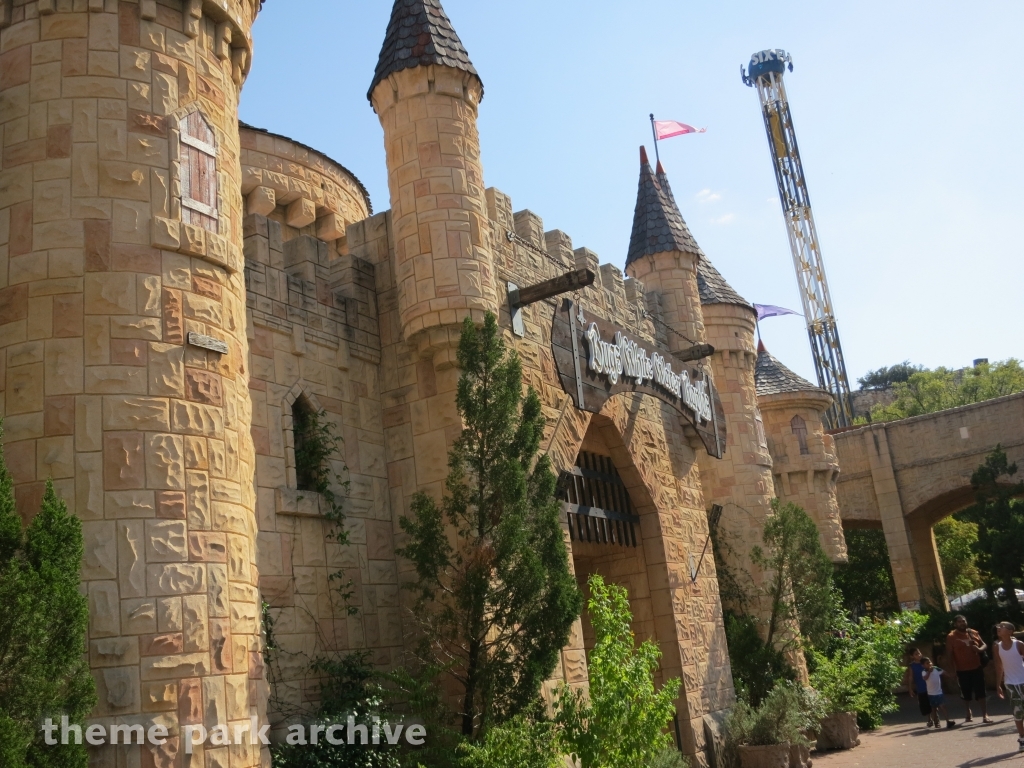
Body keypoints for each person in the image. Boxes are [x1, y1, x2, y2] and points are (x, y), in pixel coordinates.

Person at [945, 614, 991, 723]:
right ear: (955, 624)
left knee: (981, 693)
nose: (962, 623)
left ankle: (985, 715)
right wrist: (952, 671)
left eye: (964, 621)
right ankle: (968, 713)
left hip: (977, 668)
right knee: (965, 694)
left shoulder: (973, 632)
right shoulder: (951, 636)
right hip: (962, 671)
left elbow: (984, 645)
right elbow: (949, 655)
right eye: (959, 622)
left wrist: (979, 650)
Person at [993, 621, 1024, 752]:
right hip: (1010, 683)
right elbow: (999, 667)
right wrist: (998, 685)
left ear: (1010, 631)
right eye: (998, 627)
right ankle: (1022, 738)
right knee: (1017, 712)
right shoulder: (997, 647)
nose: (999, 628)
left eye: (1002, 627)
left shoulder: (1019, 644)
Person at [922, 656, 956, 729]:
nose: (929, 664)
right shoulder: (924, 672)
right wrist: (929, 672)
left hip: (939, 692)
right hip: (931, 694)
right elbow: (925, 678)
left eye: (930, 662)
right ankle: (936, 722)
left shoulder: (936, 669)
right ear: (923, 665)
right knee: (933, 709)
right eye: (927, 663)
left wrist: (951, 676)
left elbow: (944, 672)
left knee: (942, 706)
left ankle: (948, 721)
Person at [903, 645, 933, 728]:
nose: (919, 655)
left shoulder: (926, 662)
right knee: (925, 705)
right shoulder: (912, 665)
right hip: (921, 687)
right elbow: (911, 677)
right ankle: (929, 719)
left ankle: (935, 719)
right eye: (916, 654)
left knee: (933, 703)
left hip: (930, 686)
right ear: (912, 656)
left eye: (919, 653)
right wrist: (910, 688)